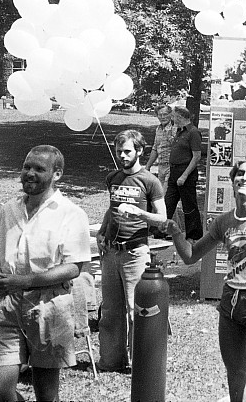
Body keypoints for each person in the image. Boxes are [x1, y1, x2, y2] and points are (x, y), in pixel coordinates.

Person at [167, 157, 246, 402]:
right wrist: (175, 232)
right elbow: (191, 256)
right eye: (240, 174)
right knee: (236, 378)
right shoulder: (223, 222)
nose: (245, 177)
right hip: (230, 304)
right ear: (233, 181)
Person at [0, 145, 90, 402]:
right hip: (7, 306)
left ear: (57, 174)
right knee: (0, 391)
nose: (29, 173)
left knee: (46, 394)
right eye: (26, 167)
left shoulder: (71, 213)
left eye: (39, 169)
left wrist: (24, 281)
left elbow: (73, 267)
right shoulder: (9, 209)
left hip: (49, 306)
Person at [96, 130, 167, 372]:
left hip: (136, 253)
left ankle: (142, 364)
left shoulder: (150, 181)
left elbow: (162, 219)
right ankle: (111, 361)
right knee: (110, 311)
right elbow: (112, 209)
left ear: (139, 151)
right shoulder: (113, 178)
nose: (122, 155)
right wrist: (102, 232)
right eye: (119, 151)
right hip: (111, 253)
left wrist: (140, 213)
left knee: (137, 310)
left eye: (127, 151)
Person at [165, 106, 204, 240]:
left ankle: (194, 235)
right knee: (168, 202)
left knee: (189, 205)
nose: (172, 118)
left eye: (174, 116)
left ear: (180, 117)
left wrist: (184, 175)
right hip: (174, 172)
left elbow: (196, 156)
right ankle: (160, 230)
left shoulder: (193, 132)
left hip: (185, 173)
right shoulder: (179, 131)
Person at [144, 104, 177, 190]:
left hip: (172, 167)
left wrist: (168, 132)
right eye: (160, 115)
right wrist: (148, 166)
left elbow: (176, 145)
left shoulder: (176, 127)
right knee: (160, 194)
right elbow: (155, 148)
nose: (163, 117)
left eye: (165, 114)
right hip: (161, 166)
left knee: (165, 194)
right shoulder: (158, 128)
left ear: (170, 114)